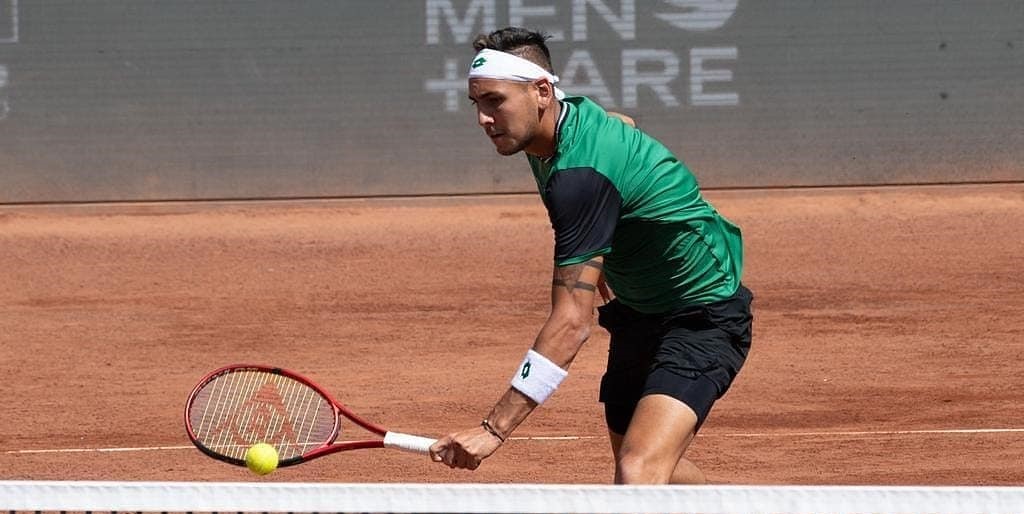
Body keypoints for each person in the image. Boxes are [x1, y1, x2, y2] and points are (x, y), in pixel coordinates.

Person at [428, 27, 753, 484]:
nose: (484, 118)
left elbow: (572, 324)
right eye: (477, 103)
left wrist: (492, 429)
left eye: (495, 101)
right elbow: (622, 122)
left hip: (702, 316)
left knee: (637, 470)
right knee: (659, 467)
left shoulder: (580, 175)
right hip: (638, 313)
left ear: (542, 91)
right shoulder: (558, 123)